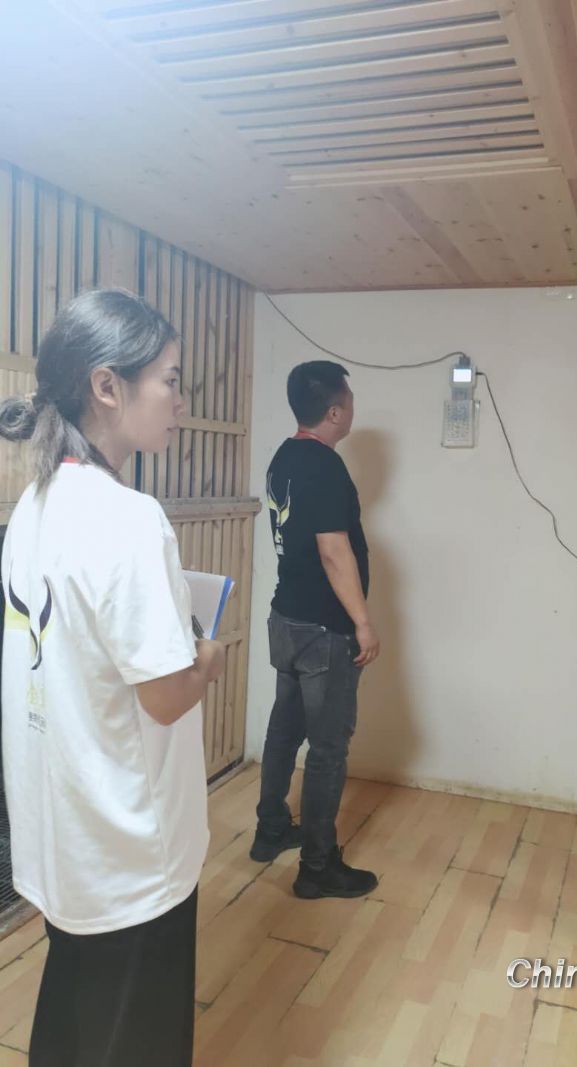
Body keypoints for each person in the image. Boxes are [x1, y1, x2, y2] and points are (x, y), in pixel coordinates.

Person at [0, 289, 225, 1067]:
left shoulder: (34, 506)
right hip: (130, 847)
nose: (180, 401)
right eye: (170, 379)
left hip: (61, 832)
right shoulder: (128, 518)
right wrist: (207, 658)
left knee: (74, 1015)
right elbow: (163, 697)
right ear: (107, 385)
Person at [252, 360, 380, 899]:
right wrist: (362, 622)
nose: (352, 408)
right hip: (324, 629)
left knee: (284, 730)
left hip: (286, 618)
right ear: (334, 412)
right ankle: (317, 867)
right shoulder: (325, 466)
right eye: (348, 401)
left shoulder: (284, 456)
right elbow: (332, 550)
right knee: (328, 748)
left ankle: (270, 830)